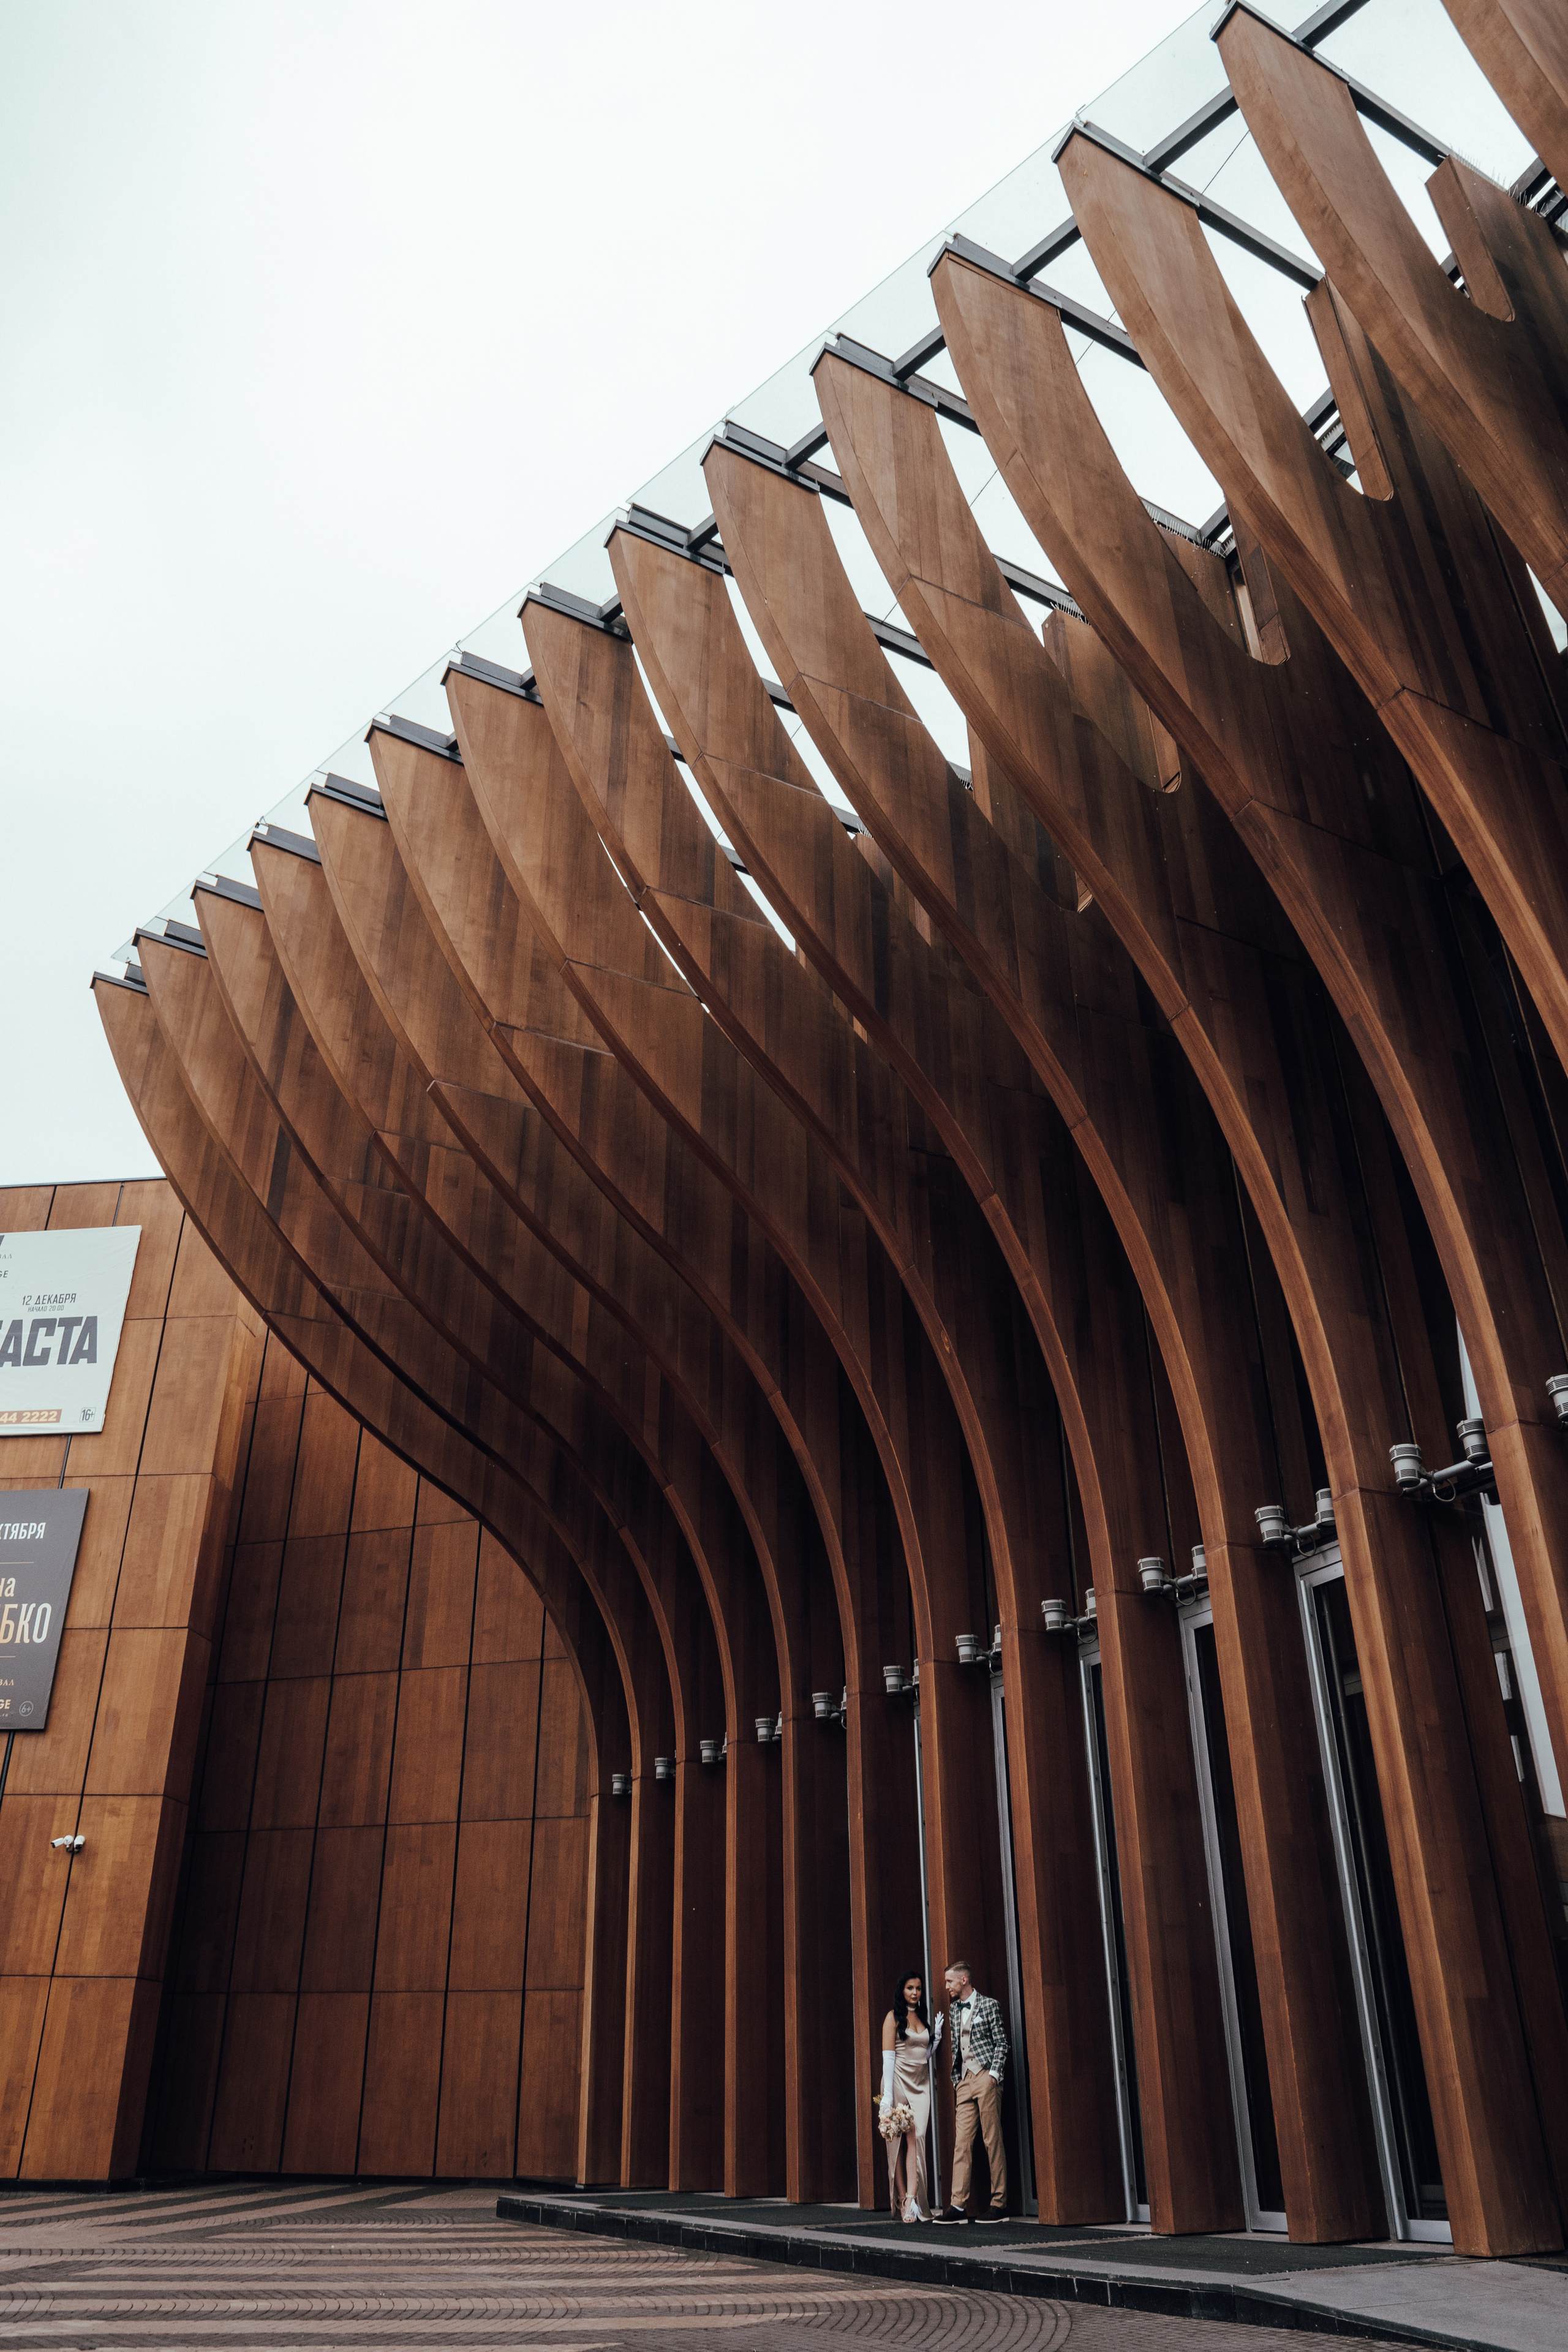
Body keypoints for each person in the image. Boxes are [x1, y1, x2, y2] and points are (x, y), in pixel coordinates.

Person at [933, 1958, 1008, 2222]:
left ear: (963, 1980)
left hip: (986, 2077)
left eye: (949, 1981)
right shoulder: (955, 2010)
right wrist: (957, 2080)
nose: (946, 1987)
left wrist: (994, 2075)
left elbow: (1001, 2044)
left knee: (992, 2140)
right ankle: (958, 2206)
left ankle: (999, 2204)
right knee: (961, 2144)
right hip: (964, 2081)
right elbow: (958, 2047)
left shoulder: (990, 2005)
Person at [878, 1969, 937, 2222]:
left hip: (921, 2084)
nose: (915, 1993)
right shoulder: (893, 2017)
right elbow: (888, 2057)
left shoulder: (922, 2017)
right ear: (902, 1991)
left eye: (919, 1988)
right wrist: (887, 2098)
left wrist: (935, 2041)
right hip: (898, 2080)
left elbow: (921, 2055)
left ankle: (915, 2199)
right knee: (899, 2144)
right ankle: (905, 2199)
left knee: (918, 2137)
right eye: (910, 1988)